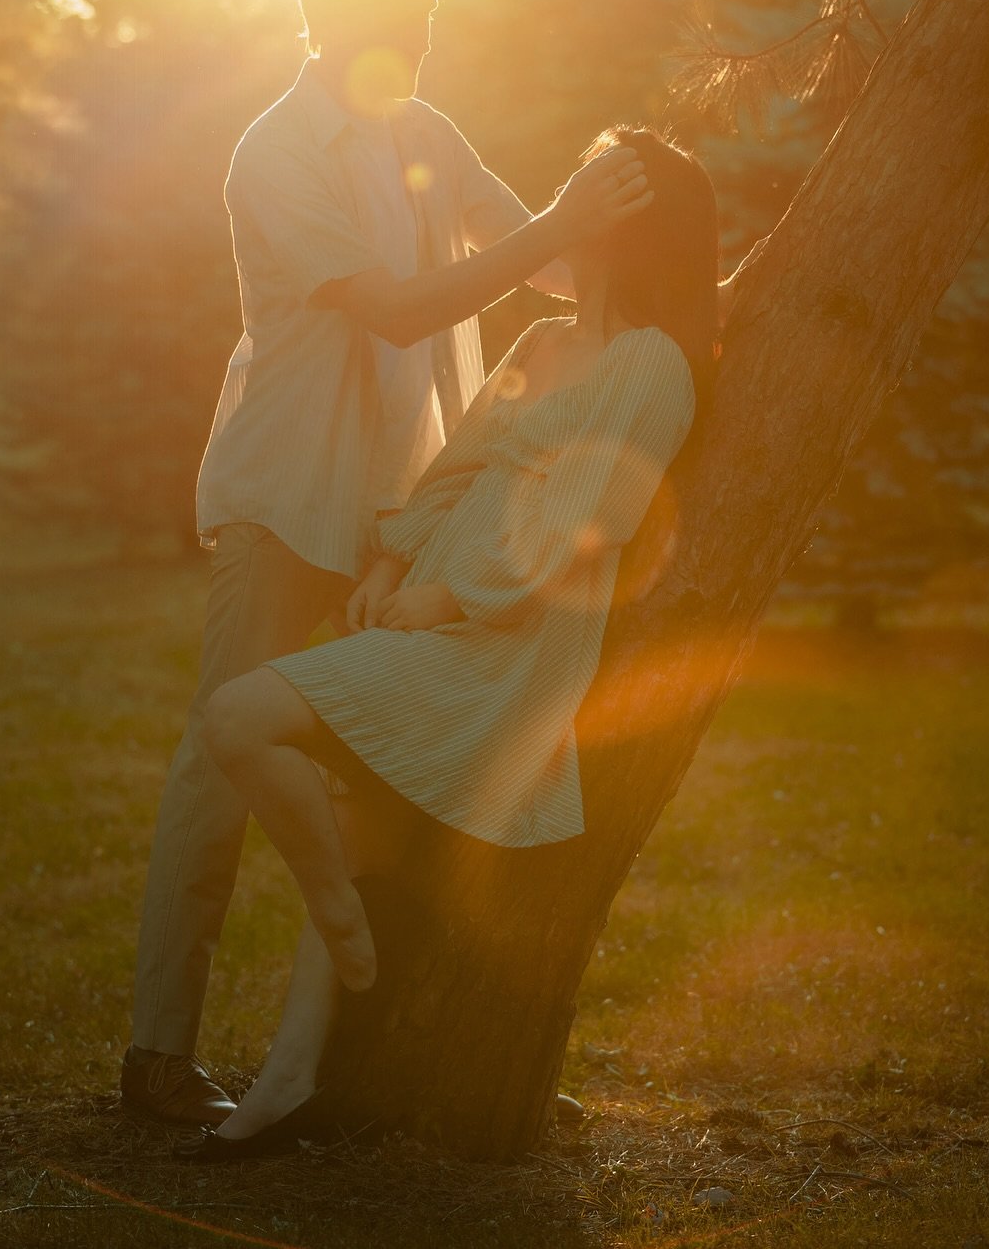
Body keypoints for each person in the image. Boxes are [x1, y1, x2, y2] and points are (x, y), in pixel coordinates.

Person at [121, 0, 655, 1125]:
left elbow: (547, 262)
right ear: (339, 12)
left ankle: (395, 1056)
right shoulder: (274, 151)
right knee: (219, 756)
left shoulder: (427, 131)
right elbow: (402, 308)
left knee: (408, 760)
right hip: (288, 498)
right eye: (406, 1)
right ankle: (156, 1057)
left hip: (402, 510)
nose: (424, 23)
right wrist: (560, 224)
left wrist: (681, 280)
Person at [178, 126, 719, 1159]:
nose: (566, 207)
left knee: (238, 715)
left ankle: (342, 916)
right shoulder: (539, 341)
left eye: (591, 191)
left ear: (632, 224)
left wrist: (453, 599)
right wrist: (393, 564)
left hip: (503, 653)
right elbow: (458, 469)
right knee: (349, 810)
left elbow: (582, 524)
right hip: (433, 610)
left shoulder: (652, 366)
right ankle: (291, 1075)